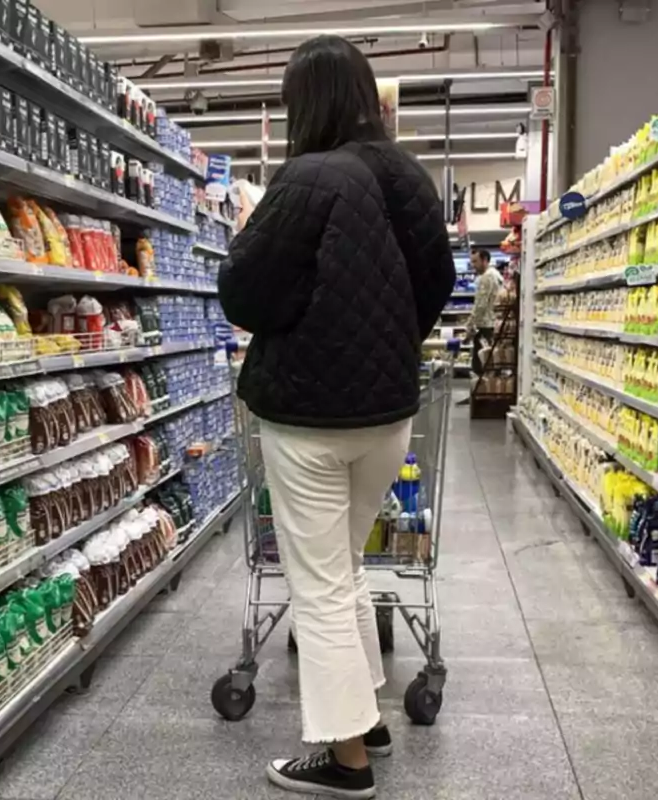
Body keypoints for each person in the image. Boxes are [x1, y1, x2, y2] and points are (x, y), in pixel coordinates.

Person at [218, 34, 456, 800]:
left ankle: (344, 762)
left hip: (308, 418)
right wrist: (382, 344)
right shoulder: (409, 178)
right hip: (387, 416)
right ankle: (370, 722)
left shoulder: (306, 180)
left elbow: (245, 293)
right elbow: (437, 280)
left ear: (304, 103)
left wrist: (305, 323)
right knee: (345, 567)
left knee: (317, 583)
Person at [465, 248, 504, 382]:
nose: (473, 265)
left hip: (485, 326)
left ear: (485, 260)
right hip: (494, 324)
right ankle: (490, 392)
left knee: (480, 364)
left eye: (475, 261)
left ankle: (479, 395)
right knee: (491, 363)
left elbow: (480, 305)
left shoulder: (487, 277)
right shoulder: (497, 275)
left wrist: (470, 327)